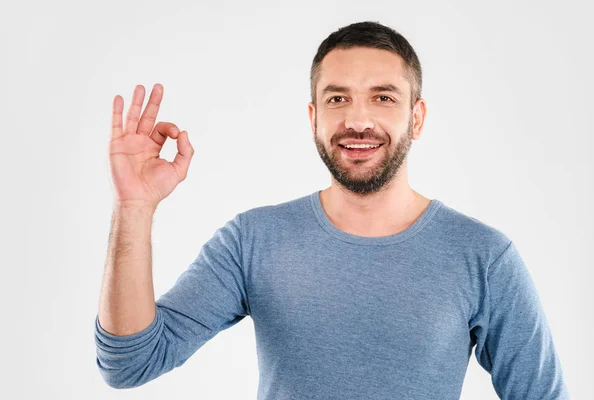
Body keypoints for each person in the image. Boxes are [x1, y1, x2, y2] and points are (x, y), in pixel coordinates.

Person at [95, 21, 569, 399]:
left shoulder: (484, 256)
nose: (357, 120)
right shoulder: (253, 240)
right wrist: (134, 208)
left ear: (416, 117)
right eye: (337, 98)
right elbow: (130, 363)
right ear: (313, 117)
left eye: (383, 98)